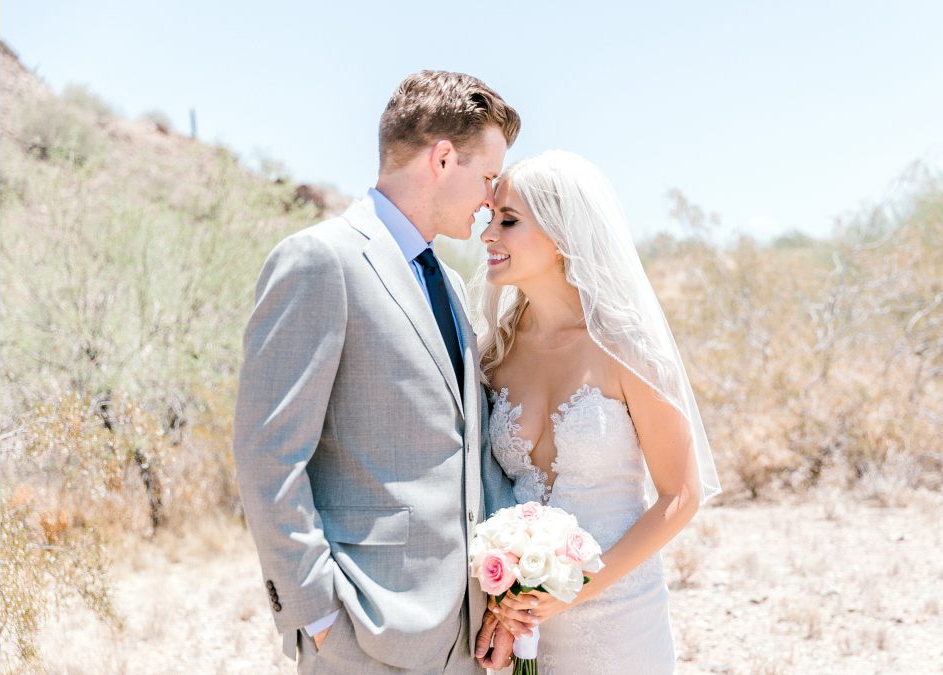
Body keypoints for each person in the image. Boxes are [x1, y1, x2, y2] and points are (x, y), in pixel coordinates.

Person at [232, 70, 520, 674]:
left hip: (461, 636)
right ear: (443, 158)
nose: (491, 199)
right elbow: (267, 457)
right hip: (363, 634)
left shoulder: (446, 282)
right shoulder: (320, 260)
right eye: (488, 177)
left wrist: (497, 601)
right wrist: (318, 618)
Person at [473, 150, 722, 673]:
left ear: (563, 235)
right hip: (524, 627)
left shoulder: (625, 348)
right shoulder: (495, 355)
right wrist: (499, 602)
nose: (488, 235)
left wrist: (577, 591)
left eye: (509, 220)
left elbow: (681, 495)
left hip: (621, 623)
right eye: (490, 218)